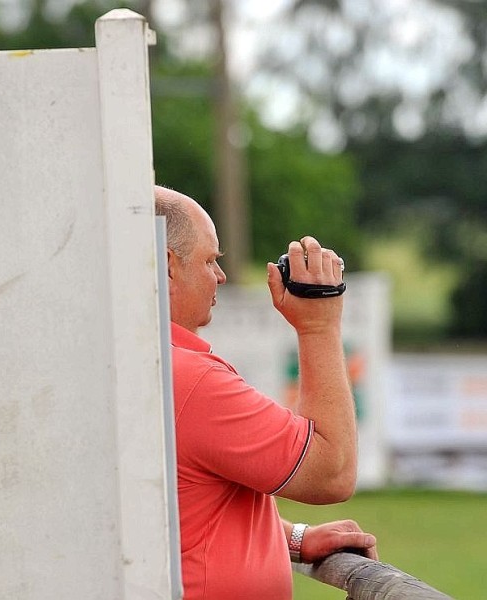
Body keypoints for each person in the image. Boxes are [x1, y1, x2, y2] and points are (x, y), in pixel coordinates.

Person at [155, 185, 378, 599]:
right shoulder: (188, 379)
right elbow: (331, 473)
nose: (219, 276)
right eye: (209, 260)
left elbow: (168, 508)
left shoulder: (115, 363)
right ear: (167, 266)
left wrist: (290, 539)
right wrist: (319, 324)